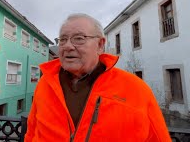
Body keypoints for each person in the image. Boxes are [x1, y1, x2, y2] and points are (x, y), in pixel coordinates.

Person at [25, 13, 171, 141]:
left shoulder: (136, 88)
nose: (67, 46)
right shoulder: (46, 83)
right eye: (62, 39)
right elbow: (31, 132)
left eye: (79, 38)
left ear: (100, 45)